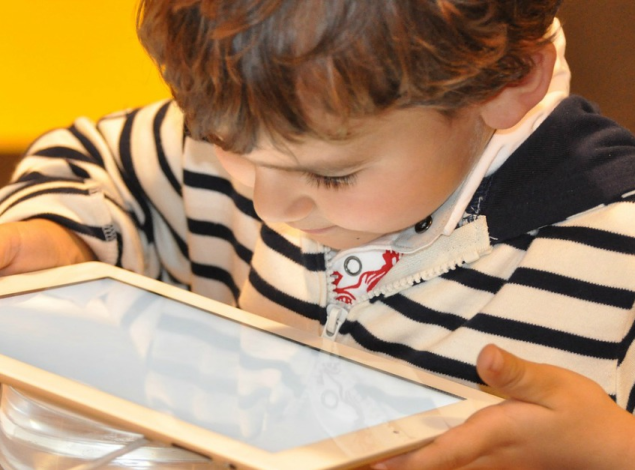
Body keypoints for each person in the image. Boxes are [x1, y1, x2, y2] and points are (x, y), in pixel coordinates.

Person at [0, 0, 634, 468]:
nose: (269, 202)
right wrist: (59, 235)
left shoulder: (618, 253)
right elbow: (93, 161)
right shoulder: (270, 117)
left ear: (508, 81)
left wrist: (610, 452)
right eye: (224, 145)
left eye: (333, 175)